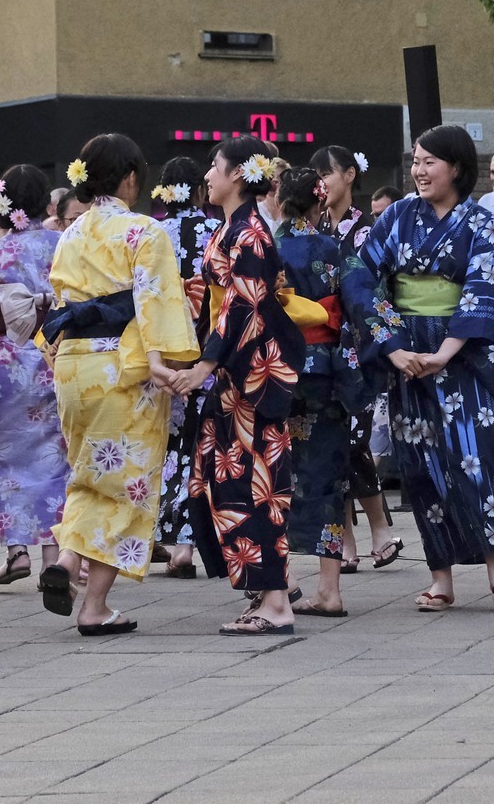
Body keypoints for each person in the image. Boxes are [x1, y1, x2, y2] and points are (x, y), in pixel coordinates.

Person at [41, 134, 200, 636]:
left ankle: (66, 562)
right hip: (123, 365)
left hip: (73, 365)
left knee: (88, 474)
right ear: (131, 177)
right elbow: (154, 297)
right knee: (126, 483)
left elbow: (62, 301)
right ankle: (95, 606)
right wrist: (160, 360)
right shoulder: (143, 231)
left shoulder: (70, 232)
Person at [360, 124, 494, 611]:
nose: (419, 170)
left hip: (461, 355)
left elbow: (484, 289)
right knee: (419, 465)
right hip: (407, 356)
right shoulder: (397, 216)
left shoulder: (481, 222)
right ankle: (440, 577)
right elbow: (364, 280)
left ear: (457, 167)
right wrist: (391, 346)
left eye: (430, 161)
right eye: (415, 161)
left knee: (472, 457)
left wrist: (446, 353)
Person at [176, 137, 305, 635]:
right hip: (237, 374)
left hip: (253, 376)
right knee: (220, 481)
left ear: (236, 175)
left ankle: (276, 601)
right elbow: (210, 298)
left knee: (254, 485)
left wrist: (205, 364)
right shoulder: (232, 228)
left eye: (214, 166)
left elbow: (244, 305)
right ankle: (267, 591)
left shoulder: (249, 232)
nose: (208, 175)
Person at [275, 166, 380, 617]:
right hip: (327, 373)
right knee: (327, 476)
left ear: (280, 201)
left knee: (272, 474)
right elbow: (363, 301)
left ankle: (281, 580)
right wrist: (392, 348)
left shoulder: (268, 248)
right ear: (320, 203)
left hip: (276, 370)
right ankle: (329, 590)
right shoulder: (335, 249)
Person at [0, 166, 69, 586]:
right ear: (45, 202)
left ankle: (16, 551)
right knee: (56, 454)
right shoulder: (63, 242)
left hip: (9, 361)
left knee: (2, 455)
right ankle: (52, 558)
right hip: (57, 356)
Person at [311, 145, 401, 574]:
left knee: (353, 440)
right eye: (316, 176)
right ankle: (349, 539)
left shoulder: (369, 230)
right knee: (331, 443)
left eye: (327, 174)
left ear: (349, 175)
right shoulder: (314, 226)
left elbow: (375, 289)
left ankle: (378, 529)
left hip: (357, 344)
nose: (321, 184)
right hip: (323, 346)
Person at [151, 156, 222, 576]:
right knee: (201, 445)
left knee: (166, 446)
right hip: (207, 352)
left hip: (161, 356)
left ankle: (163, 540)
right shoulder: (218, 231)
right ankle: (190, 544)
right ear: (199, 190)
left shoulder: (150, 233)